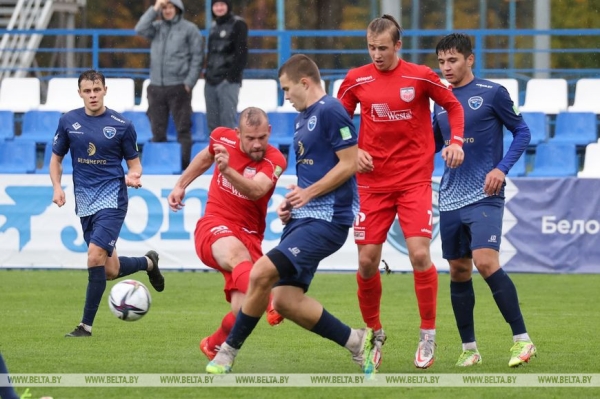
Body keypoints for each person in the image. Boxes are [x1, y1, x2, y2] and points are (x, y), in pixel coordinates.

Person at [206, 54, 381, 375]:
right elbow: (314, 175)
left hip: (328, 220)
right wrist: (293, 203)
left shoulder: (330, 111)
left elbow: (350, 162)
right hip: (304, 218)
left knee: (260, 273)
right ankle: (358, 342)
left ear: (305, 82)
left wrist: (309, 194)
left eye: (287, 89)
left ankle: (226, 351)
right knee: (285, 300)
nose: (285, 97)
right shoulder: (303, 119)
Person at [336, 14, 465, 369]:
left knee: (419, 255)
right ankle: (374, 334)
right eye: (371, 48)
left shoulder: (419, 76)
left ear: (398, 45)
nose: (376, 55)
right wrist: (352, 150)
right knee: (365, 262)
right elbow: (338, 122)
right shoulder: (354, 80)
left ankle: (428, 336)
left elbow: (453, 105)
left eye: (382, 48)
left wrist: (455, 141)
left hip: (413, 181)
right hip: (372, 184)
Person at [433, 33, 536, 367]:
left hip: (485, 194)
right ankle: (469, 349)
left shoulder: (493, 93)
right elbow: (431, 145)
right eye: (442, 62)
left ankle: (523, 341)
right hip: (449, 197)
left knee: (485, 261)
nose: (447, 67)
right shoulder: (440, 101)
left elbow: (523, 132)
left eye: (453, 60)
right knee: (459, 271)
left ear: (470, 59)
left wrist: (502, 169)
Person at [49, 70, 165, 338]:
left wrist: (134, 177)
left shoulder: (121, 125)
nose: (92, 95)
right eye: (87, 91)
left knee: (93, 256)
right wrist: (56, 187)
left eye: (97, 90)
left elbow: (134, 164)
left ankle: (85, 326)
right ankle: (148, 263)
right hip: (85, 200)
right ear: (80, 93)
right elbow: (56, 159)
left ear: (105, 90)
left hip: (113, 198)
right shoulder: (68, 121)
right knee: (109, 270)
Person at [167, 107, 286, 360]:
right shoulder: (222, 137)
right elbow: (205, 156)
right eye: (250, 138)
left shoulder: (275, 160)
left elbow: (256, 191)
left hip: (250, 236)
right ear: (237, 133)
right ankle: (271, 299)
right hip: (215, 224)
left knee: (243, 310)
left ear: (270, 132)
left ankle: (213, 344)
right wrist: (180, 184)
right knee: (236, 254)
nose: (256, 144)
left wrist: (227, 170)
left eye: (262, 138)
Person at [135, 0, 203, 170]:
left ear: (178, 8)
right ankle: (162, 166)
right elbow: (140, 28)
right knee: (157, 132)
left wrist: (189, 83)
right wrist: (155, 8)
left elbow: (197, 57)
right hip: (156, 86)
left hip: (179, 86)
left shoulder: (189, 29)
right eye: (164, 8)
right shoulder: (156, 27)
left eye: (170, 7)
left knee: (183, 130)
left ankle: (185, 168)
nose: (167, 10)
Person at [204, 0, 248, 133]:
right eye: (216, 5)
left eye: (222, 4)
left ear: (228, 6)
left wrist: (230, 77)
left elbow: (242, 54)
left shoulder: (238, 24)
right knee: (212, 125)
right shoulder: (213, 26)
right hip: (211, 81)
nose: (219, 8)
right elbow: (211, 53)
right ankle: (214, 153)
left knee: (227, 124)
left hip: (228, 81)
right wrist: (207, 75)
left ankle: (229, 153)